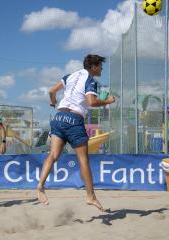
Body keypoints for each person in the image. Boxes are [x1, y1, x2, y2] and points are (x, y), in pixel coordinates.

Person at [37, 54, 115, 211]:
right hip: (74, 119)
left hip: (59, 117)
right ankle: (90, 196)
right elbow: (91, 102)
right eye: (100, 66)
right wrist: (108, 101)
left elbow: (52, 91)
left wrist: (53, 102)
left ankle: (40, 186)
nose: (102, 69)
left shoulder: (70, 76)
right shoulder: (91, 80)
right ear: (93, 67)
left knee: (52, 155)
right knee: (83, 160)